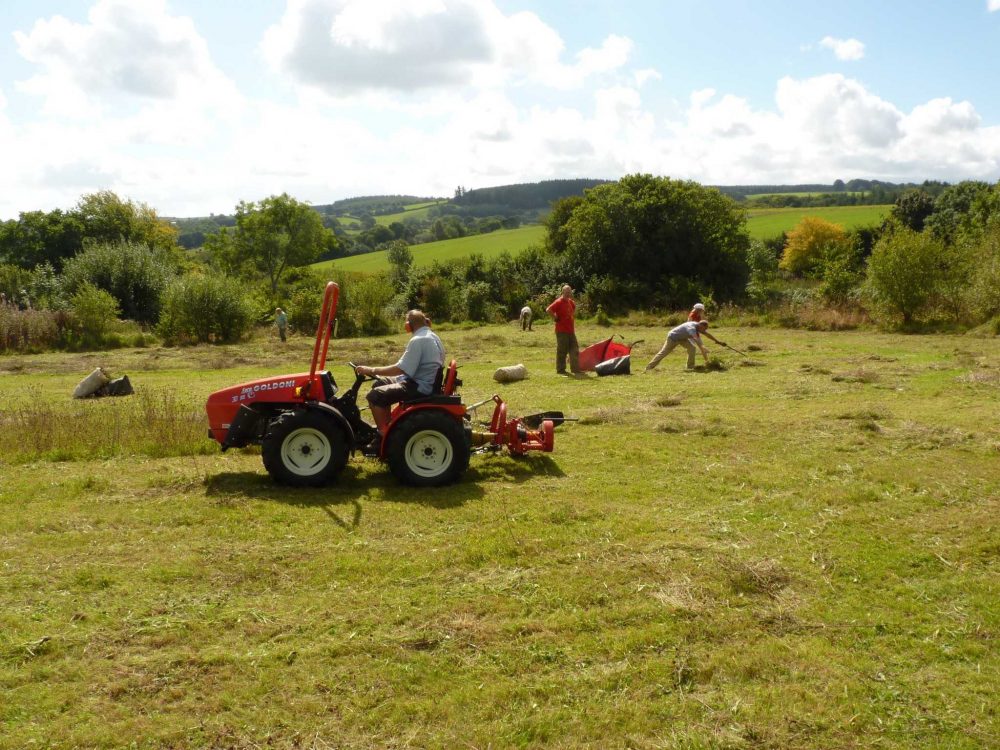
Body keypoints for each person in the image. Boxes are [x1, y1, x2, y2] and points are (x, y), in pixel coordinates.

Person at [355, 309, 445, 435]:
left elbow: (400, 369)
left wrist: (371, 370)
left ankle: (384, 435)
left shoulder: (418, 340)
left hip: (419, 386)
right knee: (379, 383)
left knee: (375, 396)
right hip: (424, 382)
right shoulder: (433, 336)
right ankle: (388, 423)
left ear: (408, 326)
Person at [645, 320, 726, 371]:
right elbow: (697, 341)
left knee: (692, 348)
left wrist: (718, 342)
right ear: (701, 326)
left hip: (682, 338)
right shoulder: (692, 328)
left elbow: (707, 334)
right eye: (704, 329)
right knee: (664, 353)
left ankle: (690, 366)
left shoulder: (698, 327)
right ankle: (649, 367)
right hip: (673, 338)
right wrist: (703, 348)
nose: (704, 331)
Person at [546, 285, 582, 375]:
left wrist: (570, 317)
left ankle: (575, 369)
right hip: (561, 330)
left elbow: (574, 309)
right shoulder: (558, 302)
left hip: (571, 330)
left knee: (575, 349)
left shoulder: (571, 302)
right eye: (566, 292)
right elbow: (548, 310)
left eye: (569, 292)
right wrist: (555, 317)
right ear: (563, 292)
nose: (568, 294)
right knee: (562, 350)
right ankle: (561, 370)